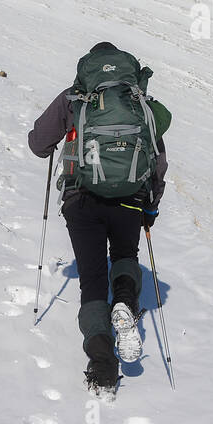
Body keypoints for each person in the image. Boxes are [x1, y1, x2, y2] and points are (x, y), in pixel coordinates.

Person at [28, 42, 167, 393]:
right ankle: (124, 301)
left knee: (91, 278)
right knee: (124, 256)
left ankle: (102, 363)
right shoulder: (140, 104)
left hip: (81, 199)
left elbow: (38, 144)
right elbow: (157, 159)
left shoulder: (74, 99)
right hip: (131, 199)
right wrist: (150, 207)